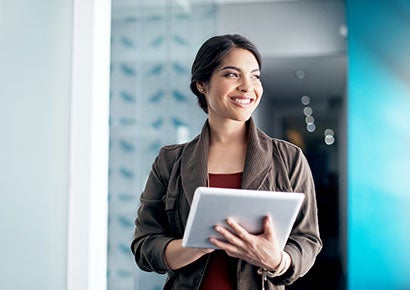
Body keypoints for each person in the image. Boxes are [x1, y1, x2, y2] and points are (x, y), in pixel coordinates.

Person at [131, 34, 322, 290]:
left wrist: (277, 260)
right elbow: (145, 245)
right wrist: (193, 245)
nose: (247, 86)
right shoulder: (170, 160)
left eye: (255, 76)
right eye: (232, 74)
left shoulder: (288, 159)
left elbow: (308, 240)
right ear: (202, 83)